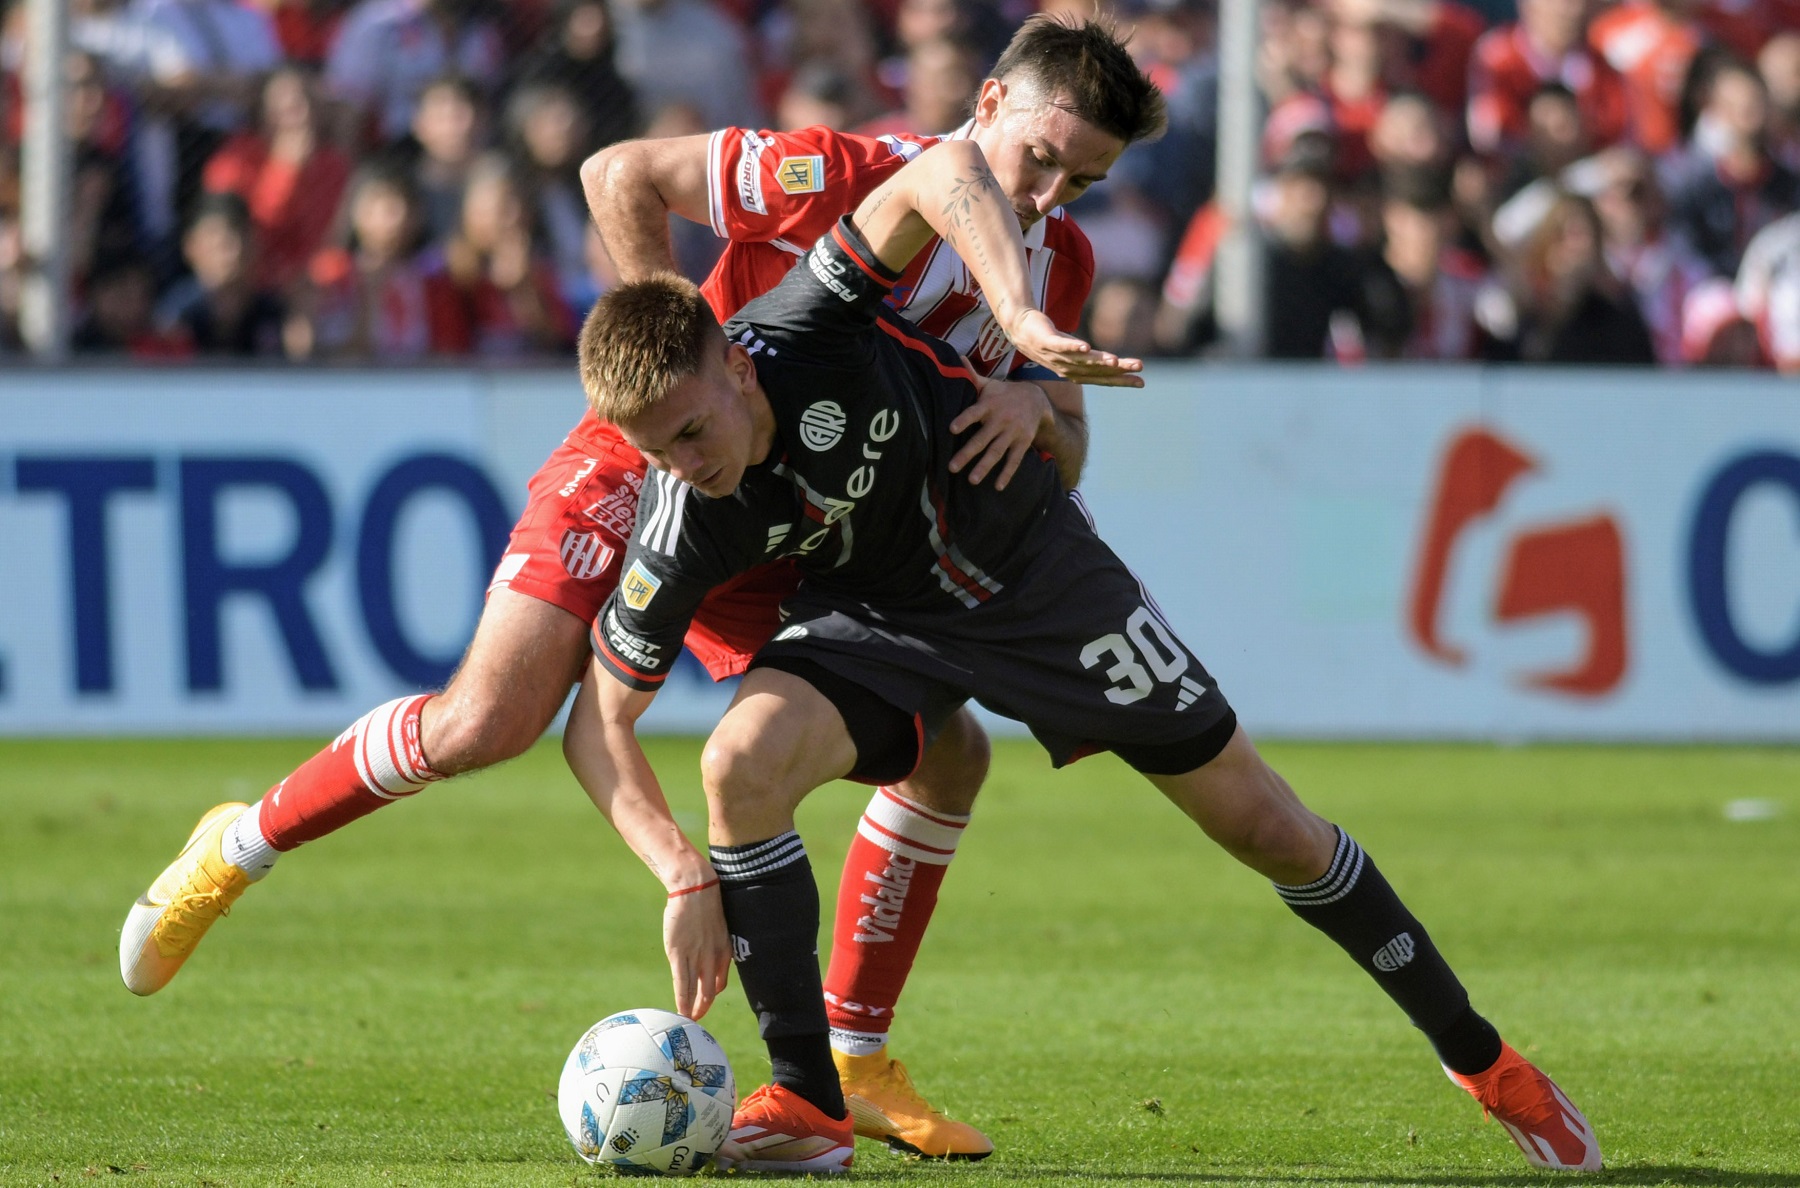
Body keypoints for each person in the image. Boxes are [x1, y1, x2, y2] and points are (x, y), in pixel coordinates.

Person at [118, 12, 1156, 1164]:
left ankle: (852, 1063)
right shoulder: (848, 173)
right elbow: (619, 172)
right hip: (656, 455)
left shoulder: (1062, 259)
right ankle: (240, 844)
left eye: (1086, 178)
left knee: (948, 748)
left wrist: (1037, 411)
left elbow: (1067, 434)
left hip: (789, 522)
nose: (1055, 192)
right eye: (1043, 158)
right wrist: (690, 367)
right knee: (487, 720)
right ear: (991, 105)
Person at [567, 131, 1601, 1176]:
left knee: (1267, 825)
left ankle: (1483, 1060)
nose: (683, 468)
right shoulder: (681, 514)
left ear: (737, 368)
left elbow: (939, 174)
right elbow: (598, 725)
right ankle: (807, 1099)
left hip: (1035, 575)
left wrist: (1015, 326)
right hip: (879, 610)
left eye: (692, 433)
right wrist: (680, 875)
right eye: (655, 450)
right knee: (735, 768)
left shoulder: (805, 324)